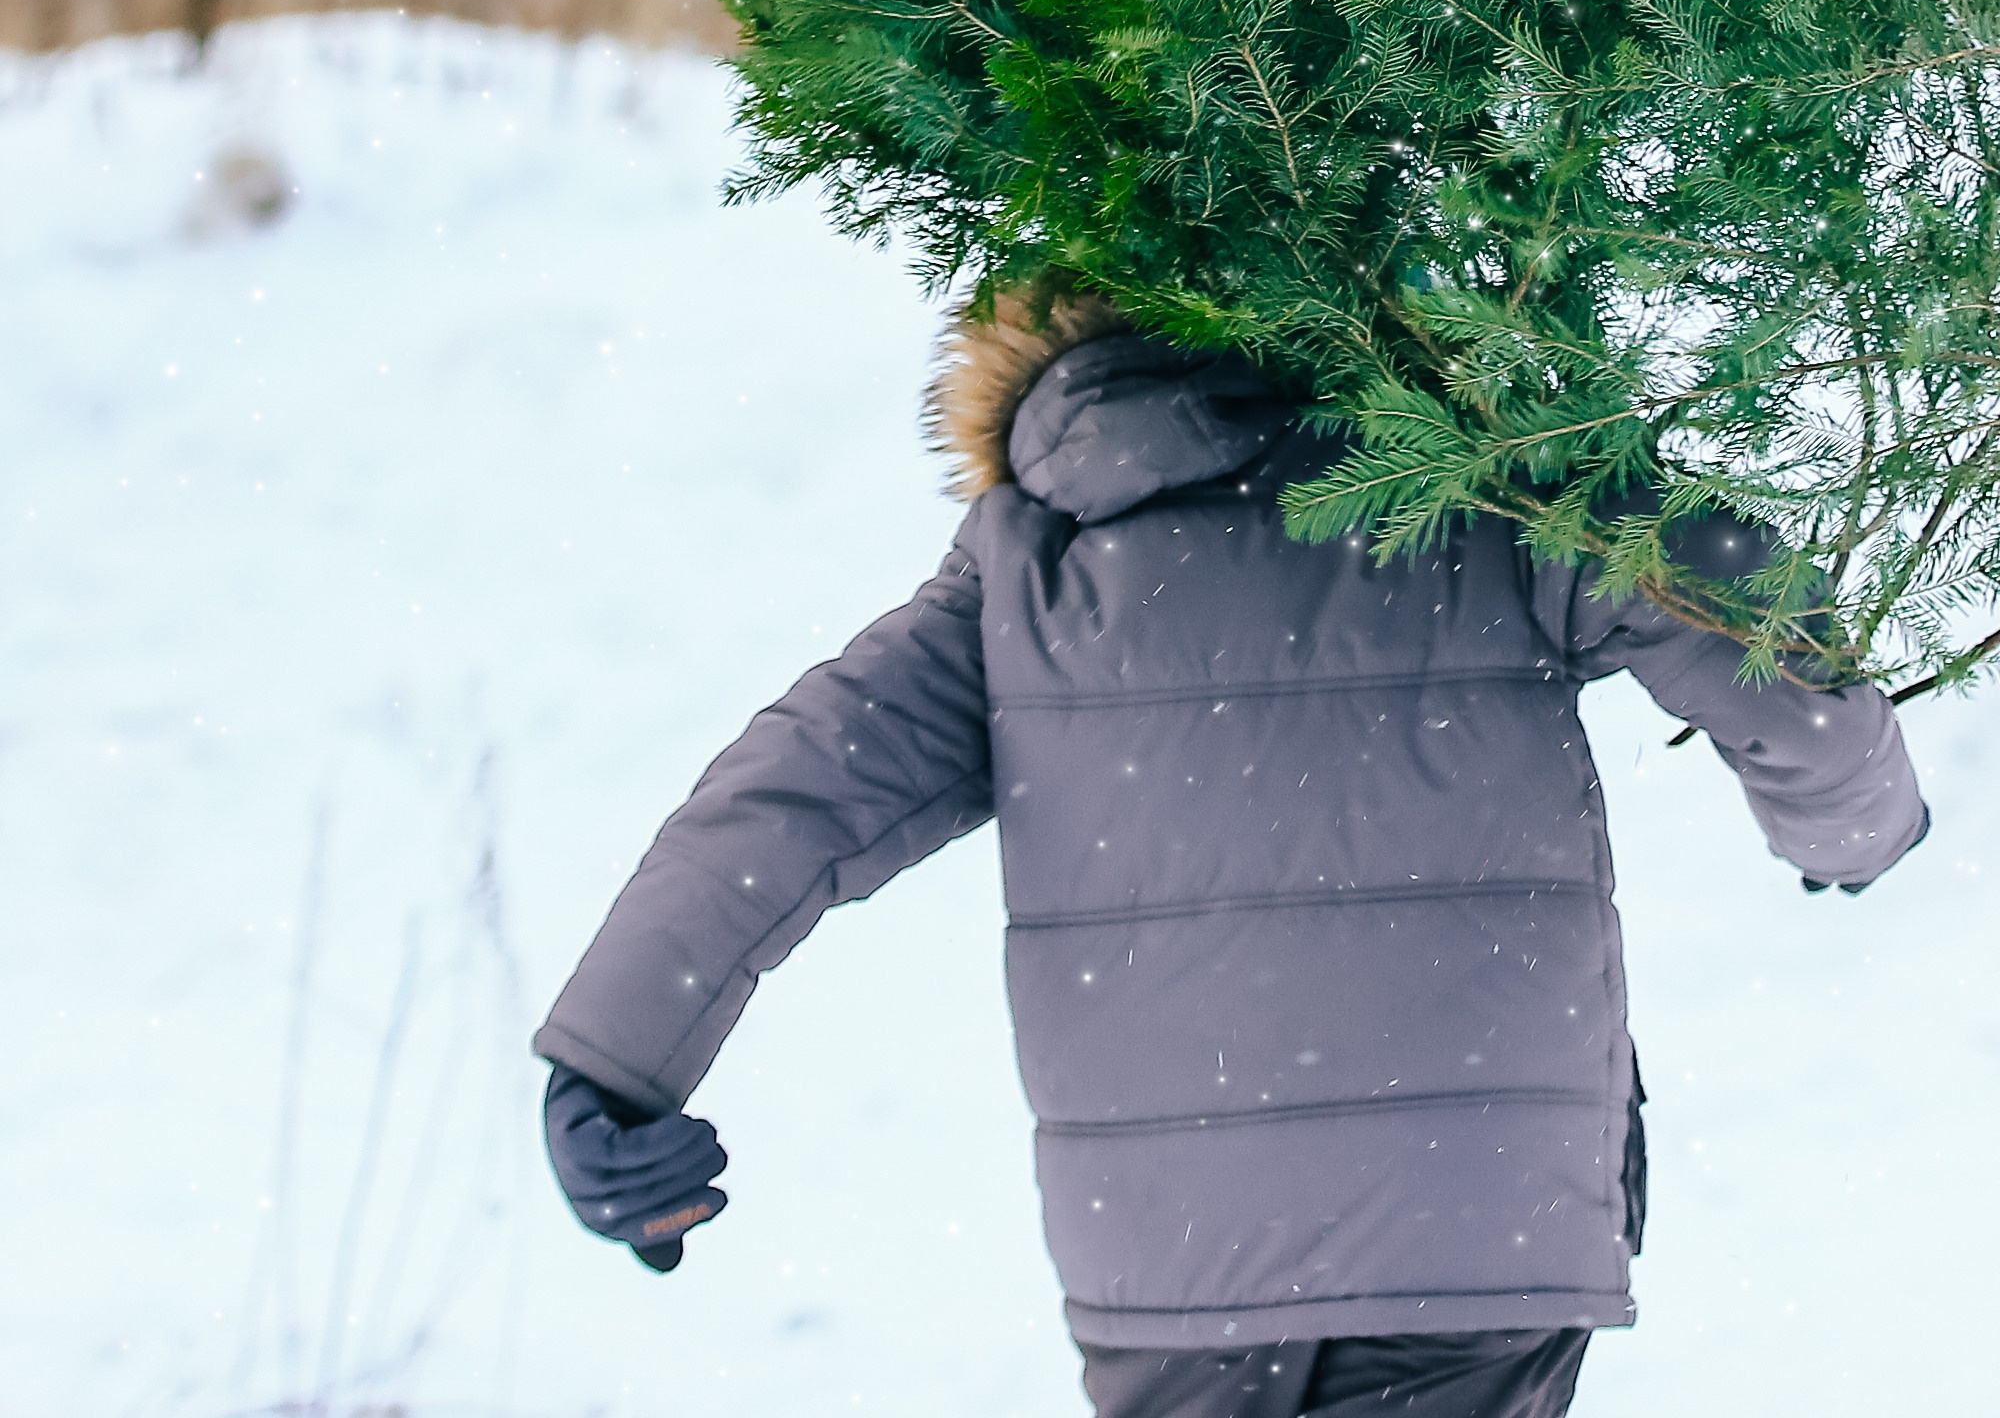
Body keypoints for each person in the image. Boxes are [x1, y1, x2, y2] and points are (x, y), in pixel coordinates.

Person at [533, 303, 1928, 1418]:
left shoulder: (1035, 560)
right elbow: (1741, 604)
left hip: (1172, 1263)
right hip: (1472, 1225)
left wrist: (614, 1062)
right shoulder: (1489, 476)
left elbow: (797, 793)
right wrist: (1848, 821)